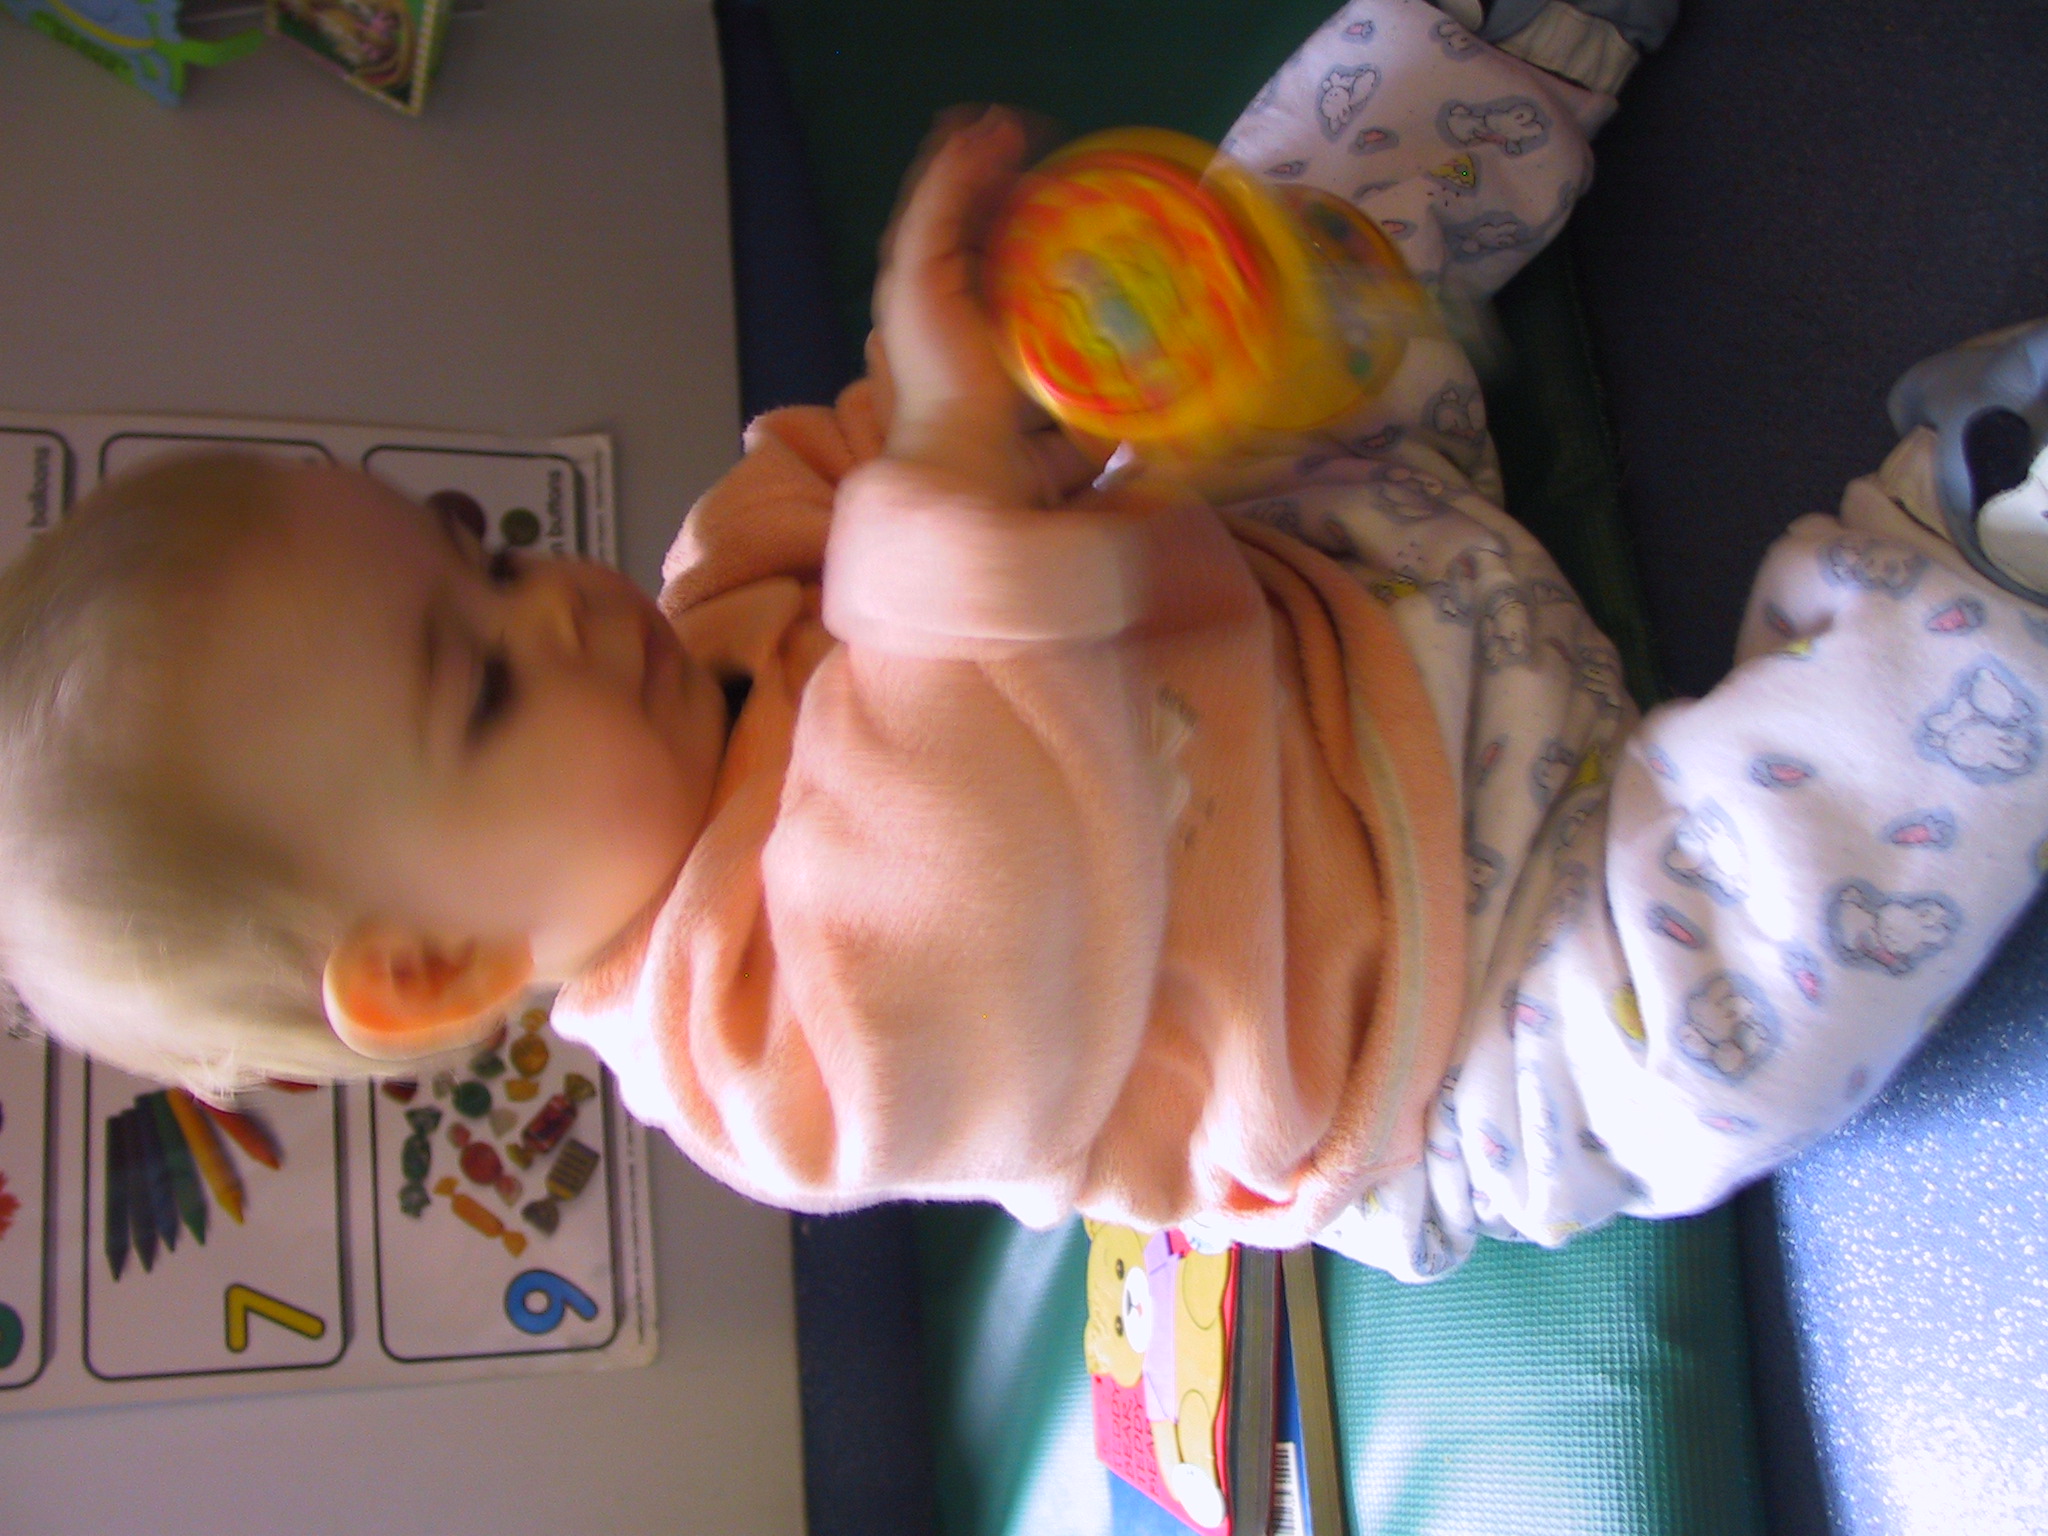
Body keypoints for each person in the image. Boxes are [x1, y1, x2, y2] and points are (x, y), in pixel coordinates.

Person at [4, 0, 2044, 1281]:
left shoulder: (716, 584)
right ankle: (1973, 564)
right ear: (436, 963)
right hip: (1457, 1000)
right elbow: (969, 850)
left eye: (475, 557)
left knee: (1268, 220)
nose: (549, 600)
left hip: (1332, 584)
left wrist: (997, 349)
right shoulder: (762, 1069)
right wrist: (945, 487)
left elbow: (872, 453)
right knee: (1716, 1038)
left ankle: (1506, 40)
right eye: (479, 679)